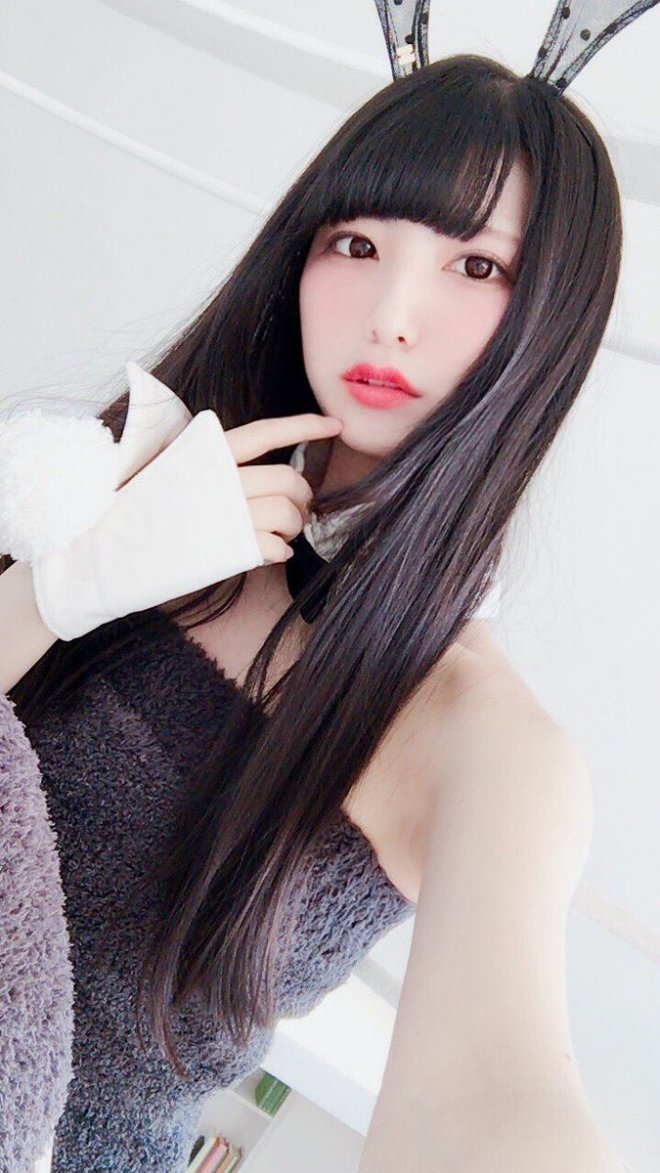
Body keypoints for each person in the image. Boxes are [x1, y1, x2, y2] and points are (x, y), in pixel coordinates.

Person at [0, 51, 624, 1172]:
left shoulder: (479, 736)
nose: (392, 316)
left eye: (478, 265)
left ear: (552, 323)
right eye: (358, 245)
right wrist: (59, 590)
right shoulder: (142, 488)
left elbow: (493, 1096)